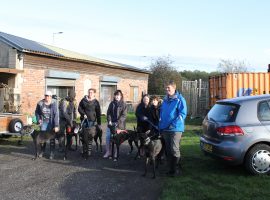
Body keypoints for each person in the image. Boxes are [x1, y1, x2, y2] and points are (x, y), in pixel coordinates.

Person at [159, 80, 187, 177]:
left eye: (168, 88)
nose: (167, 90)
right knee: (168, 149)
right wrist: (161, 125)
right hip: (165, 129)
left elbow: (182, 114)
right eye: (166, 88)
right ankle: (170, 169)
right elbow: (162, 113)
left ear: (174, 88)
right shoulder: (165, 100)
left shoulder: (180, 99)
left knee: (174, 148)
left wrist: (173, 124)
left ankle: (176, 169)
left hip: (175, 129)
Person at [35, 90, 59, 159]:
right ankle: (42, 151)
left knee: (52, 138)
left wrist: (56, 125)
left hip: (52, 122)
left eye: (49, 96)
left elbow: (56, 115)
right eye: (46, 96)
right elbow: (37, 112)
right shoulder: (40, 103)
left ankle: (52, 153)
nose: (47, 97)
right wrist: (38, 119)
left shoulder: (54, 103)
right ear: (44, 96)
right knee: (42, 138)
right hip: (44, 122)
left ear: (51, 97)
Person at [103, 90, 127, 158]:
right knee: (108, 137)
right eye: (116, 95)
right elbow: (108, 113)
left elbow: (124, 115)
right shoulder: (112, 103)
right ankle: (108, 152)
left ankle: (116, 152)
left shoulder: (124, 104)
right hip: (111, 124)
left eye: (118, 95)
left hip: (119, 125)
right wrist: (109, 120)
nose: (117, 96)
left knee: (117, 139)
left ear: (121, 96)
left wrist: (118, 122)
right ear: (114, 96)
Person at [78, 88, 101, 156]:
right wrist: (83, 114)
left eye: (91, 92)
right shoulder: (83, 100)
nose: (90, 93)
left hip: (92, 121)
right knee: (83, 135)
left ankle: (89, 150)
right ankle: (84, 148)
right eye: (89, 92)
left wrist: (99, 123)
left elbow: (98, 113)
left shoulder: (96, 102)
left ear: (94, 93)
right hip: (84, 120)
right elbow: (79, 108)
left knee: (90, 135)